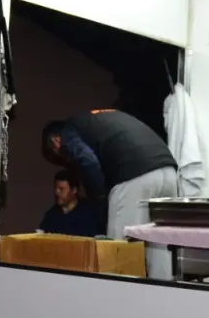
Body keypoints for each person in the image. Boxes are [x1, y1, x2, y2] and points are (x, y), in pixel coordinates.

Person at [43, 110, 178, 278]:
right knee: (159, 250)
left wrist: (99, 200)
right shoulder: (97, 121)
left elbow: (88, 162)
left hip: (133, 175)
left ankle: (119, 295)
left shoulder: (68, 132)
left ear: (55, 142)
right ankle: (161, 294)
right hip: (168, 170)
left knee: (118, 256)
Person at [38, 170, 101, 237]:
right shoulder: (51, 215)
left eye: (61, 189)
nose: (56, 192)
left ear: (74, 190)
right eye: (56, 188)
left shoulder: (89, 213)